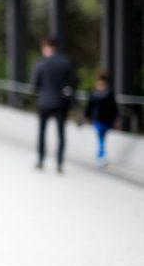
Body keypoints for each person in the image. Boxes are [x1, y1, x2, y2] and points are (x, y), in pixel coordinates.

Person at [31, 36, 77, 173]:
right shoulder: (65, 62)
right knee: (61, 134)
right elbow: (74, 81)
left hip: (44, 102)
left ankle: (41, 160)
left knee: (42, 132)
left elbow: (34, 85)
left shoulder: (40, 63)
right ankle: (59, 163)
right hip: (61, 103)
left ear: (44, 47)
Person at [83, 69, 119, 168]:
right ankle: (101, 155)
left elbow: (113, 107)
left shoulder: (101, 92)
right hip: (99, 119)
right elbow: (90, 106)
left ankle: (101, 155)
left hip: (104, 119)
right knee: (101, 137)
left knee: (102, 137)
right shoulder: (100, 92)